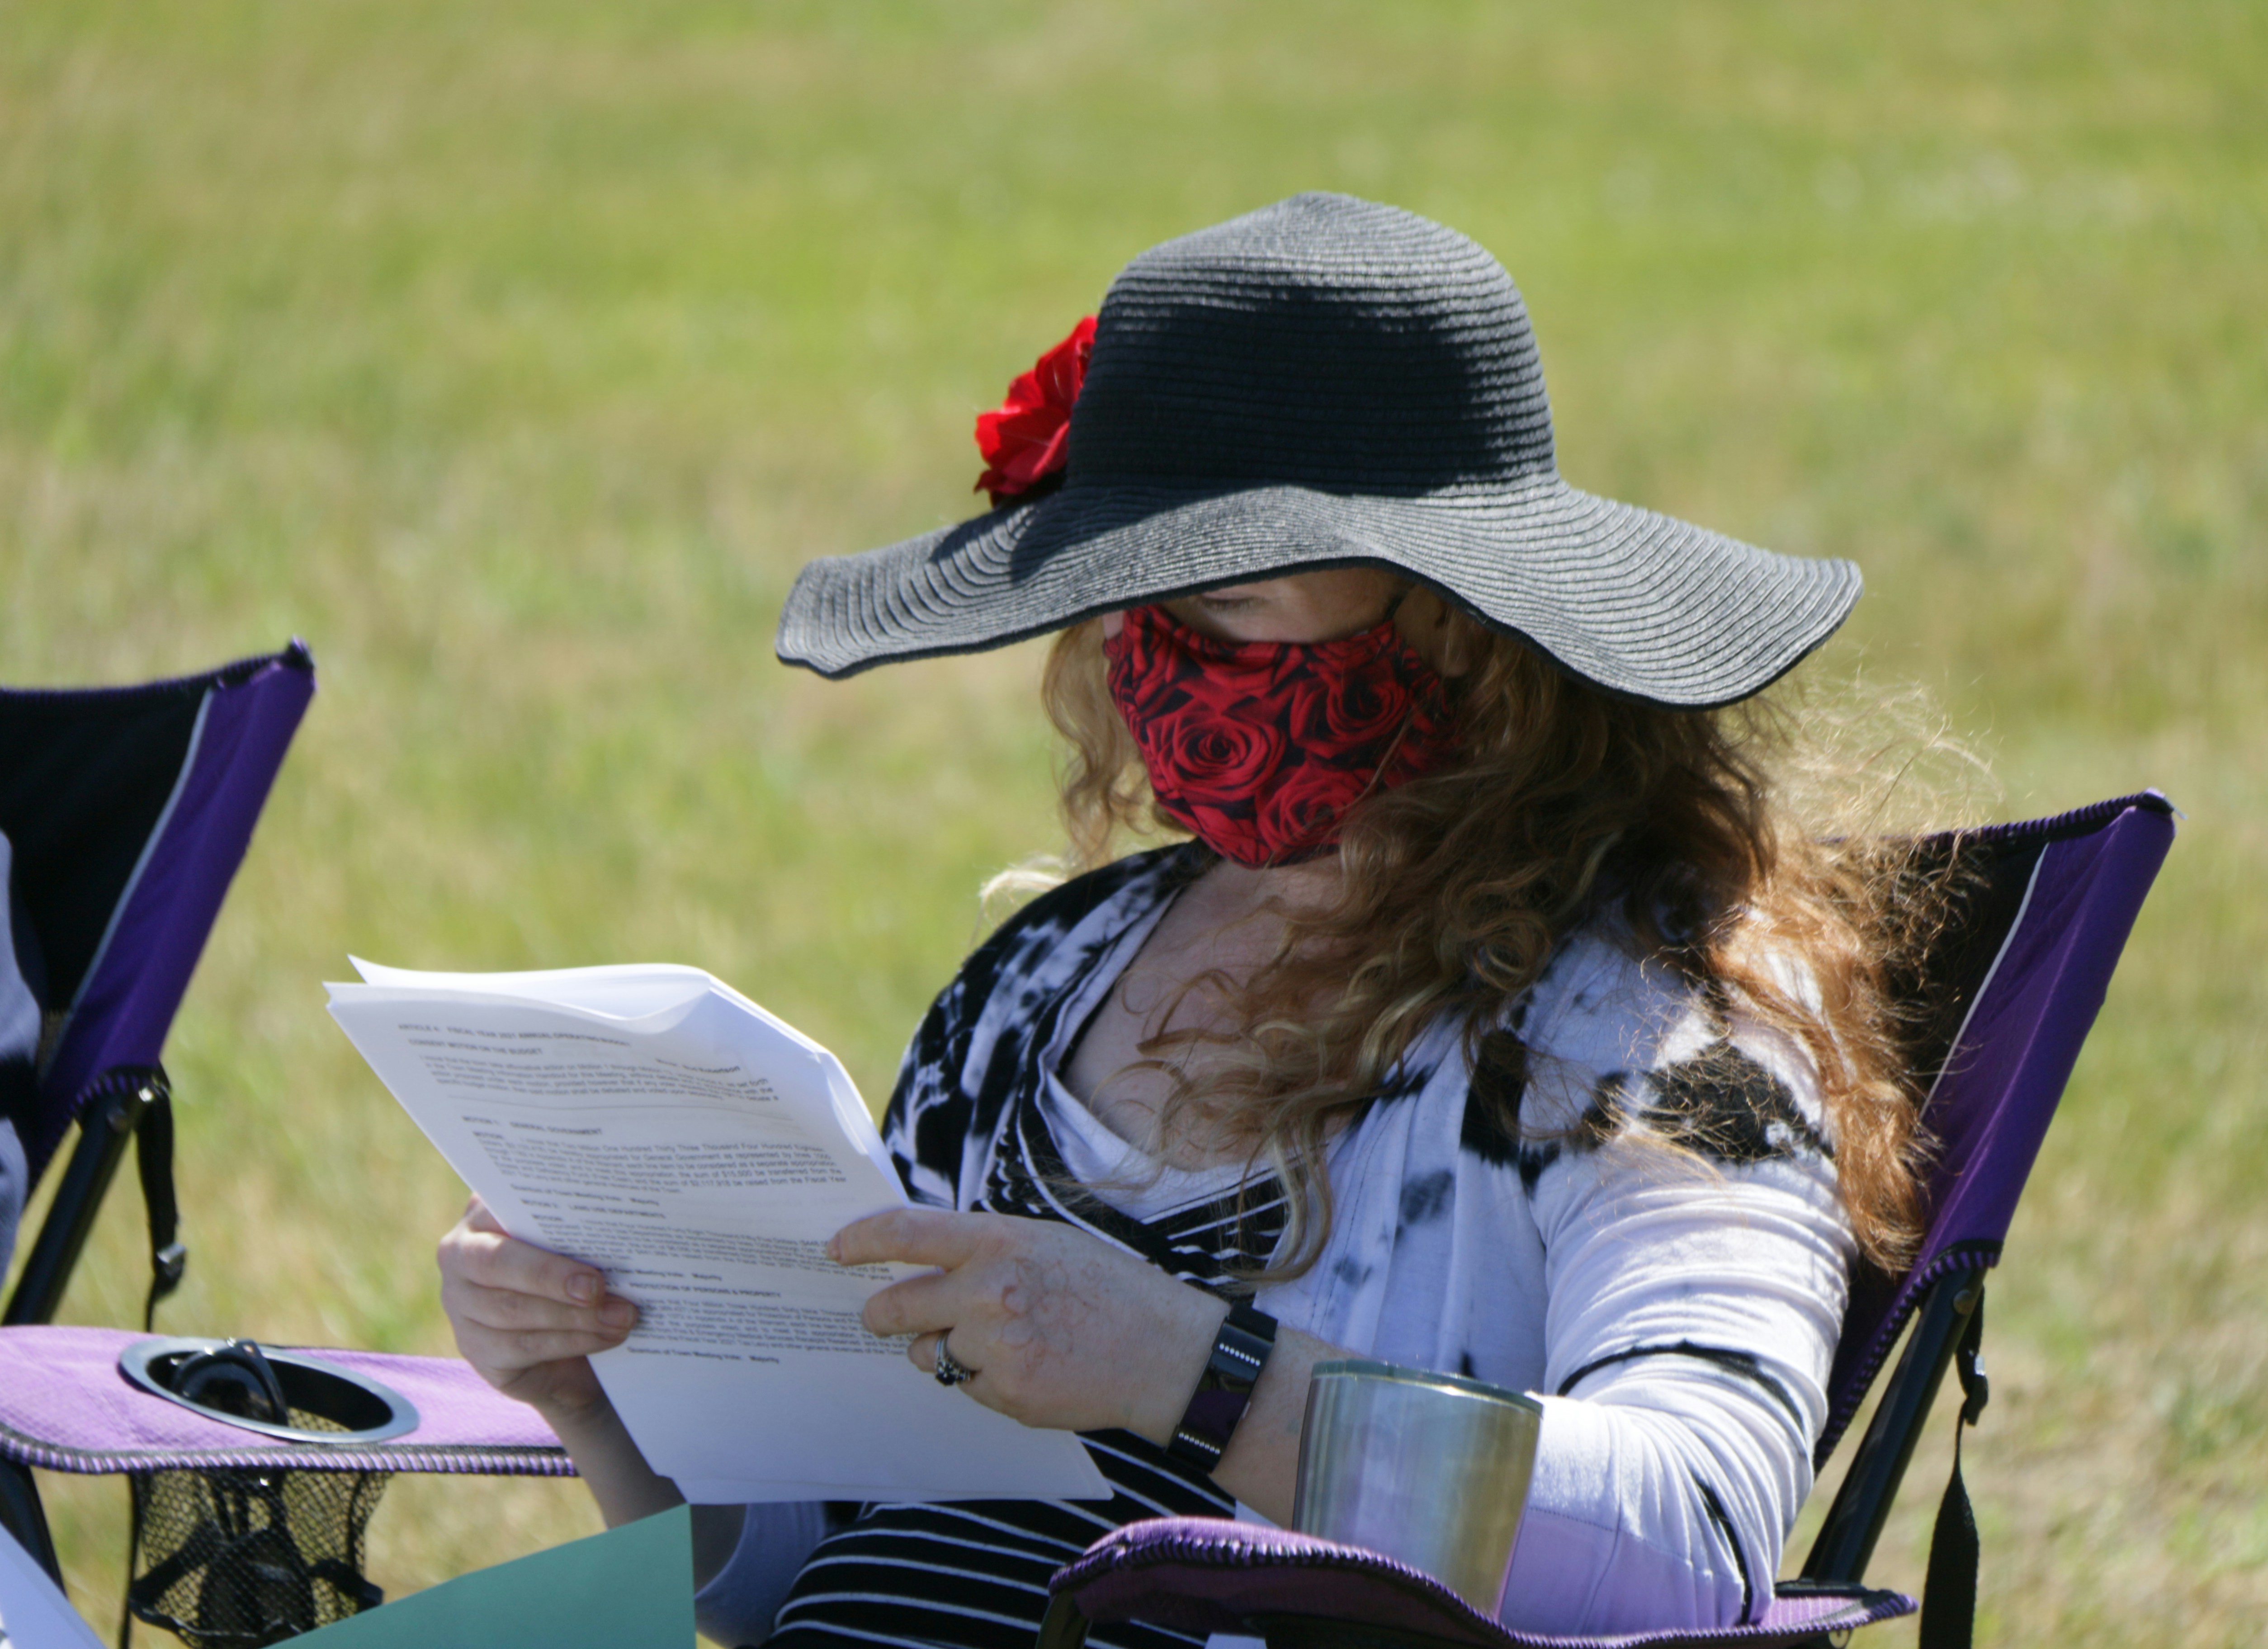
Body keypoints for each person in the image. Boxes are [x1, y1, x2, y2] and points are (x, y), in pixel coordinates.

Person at [436, 193, 1925, 1649]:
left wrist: (1195, 1376)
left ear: (1462, 620)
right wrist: (595, 1386)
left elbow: (1696, 1541)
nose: (1157, 660)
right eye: (1134, 602)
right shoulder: (1037, 987)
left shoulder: (1648, 1022)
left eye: (1230, 606)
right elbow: (799, 1565)